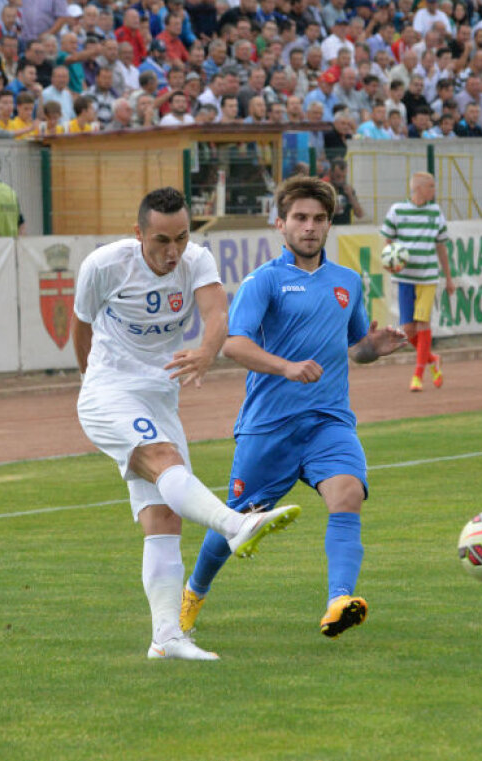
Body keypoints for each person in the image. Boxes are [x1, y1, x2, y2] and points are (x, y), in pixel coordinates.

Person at [74, 186, 302, 661]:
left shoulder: (196, 260)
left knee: (164, 519)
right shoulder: (104, 265)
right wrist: (91, 384)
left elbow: (217, 313)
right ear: (138, 233)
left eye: (180, 237)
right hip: (109, 391)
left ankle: (166, 638)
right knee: (165, 459)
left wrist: (205, 351)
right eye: (160, 240)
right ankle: (235, 524)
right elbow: (80, 325)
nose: (171, 251)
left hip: (161, 398)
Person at [181, 176, 406, 641]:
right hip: (270, 427)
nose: (310, 227)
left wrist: (374, 348)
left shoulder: (347, 282)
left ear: (329, 225)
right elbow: (233, 345)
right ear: (280, 224)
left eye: (319, 219)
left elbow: (354, 348)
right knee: (237, 520)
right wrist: (285, 368)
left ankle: (339, 600)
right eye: (300, 218)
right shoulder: (264, 281)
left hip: (329, 422)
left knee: (348, 495)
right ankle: (192, 595)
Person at [380, 172, 456, 392]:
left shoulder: (435, 212)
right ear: (419, 189)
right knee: (408, 330)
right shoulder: (397, 210)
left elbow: (441, 246)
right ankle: (433, 359)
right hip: (405, 278)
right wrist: (390, 260)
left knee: (423, 323)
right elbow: (388, 242)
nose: (434, 189)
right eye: (431, 186)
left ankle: (418, 375)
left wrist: (448, 278)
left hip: (427, 277)